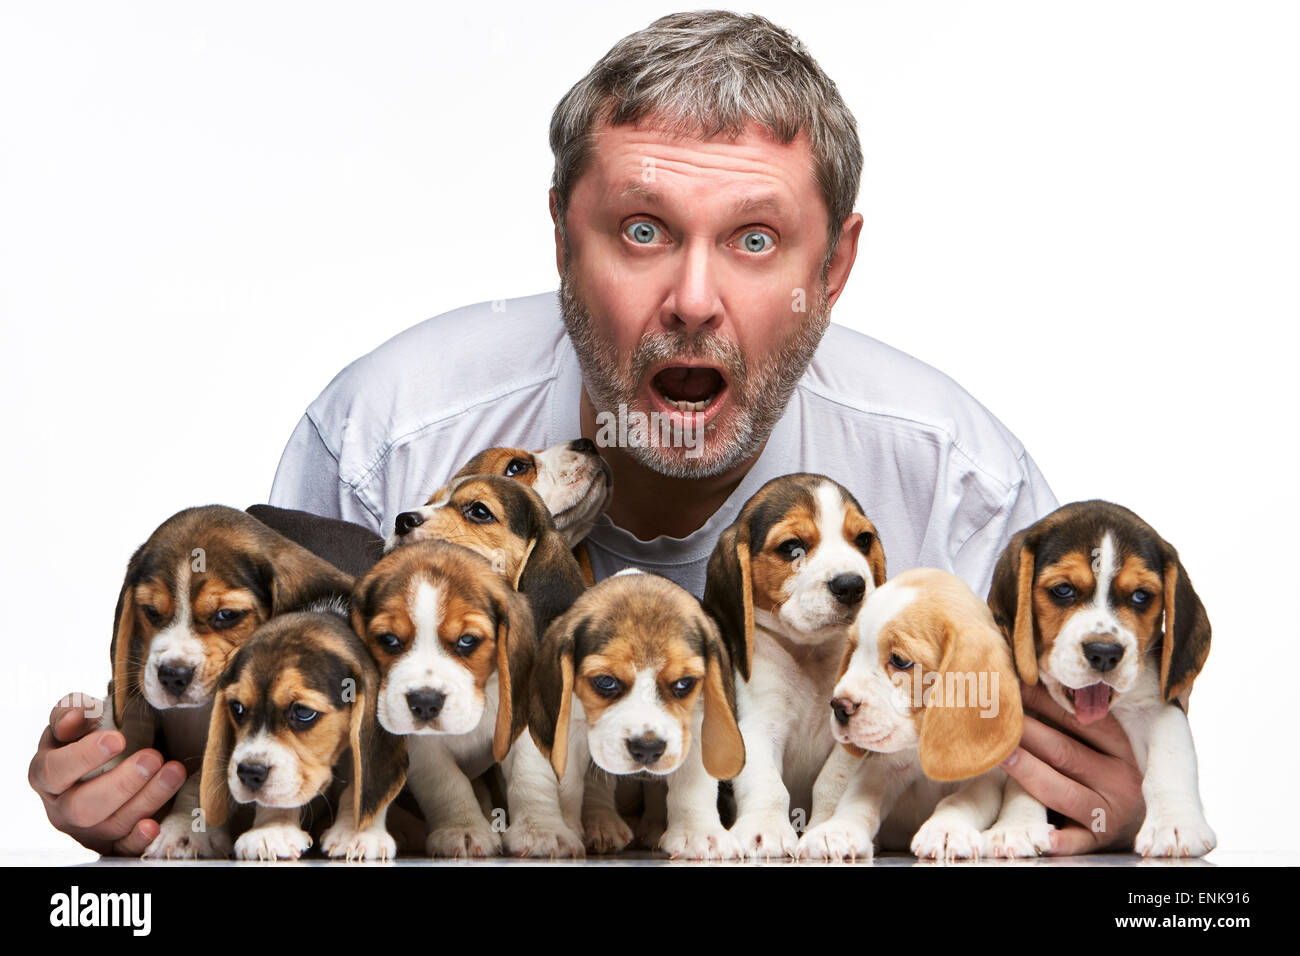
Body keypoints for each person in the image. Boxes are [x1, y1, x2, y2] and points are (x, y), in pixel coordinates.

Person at [29, 11, 1144, 857]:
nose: (694, 297)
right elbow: (280, 769)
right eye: (643, 230)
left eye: (756, 239)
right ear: (565, 240)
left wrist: (1106, 817)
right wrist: (160, 817)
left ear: (833, 266)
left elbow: (1057, 790)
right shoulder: (389, 437)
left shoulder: (960, 484)